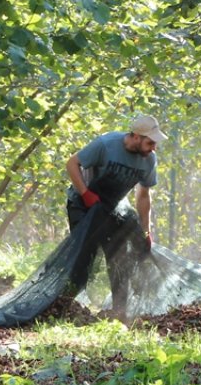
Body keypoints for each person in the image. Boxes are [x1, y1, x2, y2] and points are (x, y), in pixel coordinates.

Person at [64, 115, 167, 317]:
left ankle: (120, 313)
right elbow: (72, 164)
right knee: (84, 255)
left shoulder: (149, 160)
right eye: (150, 142)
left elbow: (143, 196)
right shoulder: (106, 144)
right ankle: (65, 306)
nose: (153, 148)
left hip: (112, 207)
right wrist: (85, 194)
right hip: (82, 205)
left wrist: (146, 231)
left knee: (119, 256)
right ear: (136, 137)